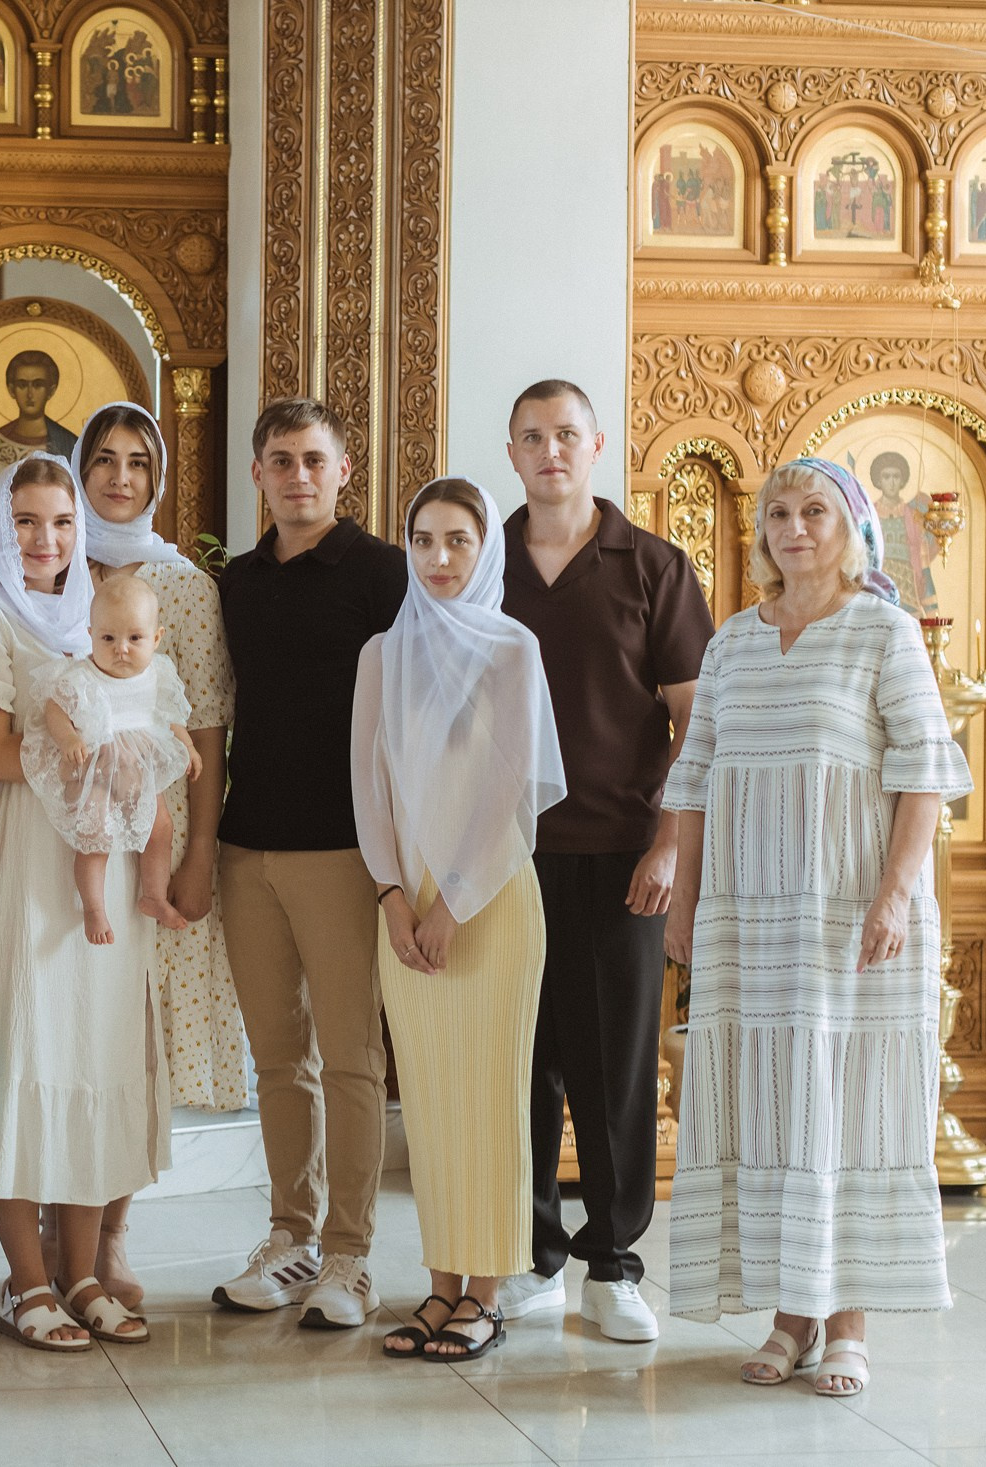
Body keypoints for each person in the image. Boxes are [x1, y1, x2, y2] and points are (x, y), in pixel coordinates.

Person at [663, 457, 971, 1398]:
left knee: (842, 1103)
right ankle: (786, 1317)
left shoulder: (882, 631)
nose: (795, 528)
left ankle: (847, 1325)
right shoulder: (731, 643)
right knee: (768, 1103)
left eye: (816, 512)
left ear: (853, 530)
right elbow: (694, 775)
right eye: (780, 514)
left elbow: (923, 772)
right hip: (747, 921)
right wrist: (683, 899)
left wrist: (892, 894)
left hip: (846, 918)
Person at [496, 380, 712, 1342]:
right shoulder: (476, 561)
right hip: (499, 859)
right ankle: (531, 1254)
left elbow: (695, 724)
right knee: (521, 1062)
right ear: (513, 452)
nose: (551, 451)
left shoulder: (652, 567)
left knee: (615, 1065)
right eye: (533, 437)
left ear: (597, 446)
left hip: (623, 853)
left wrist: (669, 842)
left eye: (567, 435)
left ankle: (613, 1263)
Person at [0, 451, 165, 1352]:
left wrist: (131, 756)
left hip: (106, 857)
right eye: (27, 521)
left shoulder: (103, 614)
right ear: (1, 527)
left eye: (63, 522)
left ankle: (78, 1271)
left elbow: (149, 723)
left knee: (94, 1050)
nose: (46, 540)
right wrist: (89, 750)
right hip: (33, 853)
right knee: (31, 1042)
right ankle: (24, 1280)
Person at [356, 478, 566, 1362]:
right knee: (432, 1102)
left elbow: (509, 793)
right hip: (404, 909)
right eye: (425, 540)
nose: (439, 558)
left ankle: (486, 1292)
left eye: (459, 541)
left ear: (488, 551)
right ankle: (440, 1286)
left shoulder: (512, 648)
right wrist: (394, 897)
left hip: (489, 905)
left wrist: (451, 901)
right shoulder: (382, 652)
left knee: (489, 1097)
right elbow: (370, 789)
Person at [214, 397, 408, 1329]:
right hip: (247, 845)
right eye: (281, 459)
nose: (298, 474)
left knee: (352, 1058)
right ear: (257, 473)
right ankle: (290, 1237)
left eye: (314, 459)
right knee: (277, 1059)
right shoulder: (237, 582)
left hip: (342, 847)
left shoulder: (384, 575)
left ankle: (349, 1255)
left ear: (342, 470)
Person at [73, 400, 243, 1307]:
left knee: (133, 1041)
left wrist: (199, 849)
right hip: (62, 833)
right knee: (68, 1028)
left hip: (156, 831)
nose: (121, 476)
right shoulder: (52, 563)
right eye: (103, 458)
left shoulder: (184, 585)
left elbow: (208, 728)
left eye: (139, 460)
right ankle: (61, 1237)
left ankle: (112, 1236)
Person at [23, 573, 198, 943]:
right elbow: (55, 708)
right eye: (108, 638)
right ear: (90, 635)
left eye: (134, 638)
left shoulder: (157, 673)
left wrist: (190, 747)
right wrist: (68, 736)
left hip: (140, 772)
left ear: (156, 638)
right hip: (96, 772)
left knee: (160, 826)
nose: (121, 649)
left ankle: (153, 894)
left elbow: (169, 717)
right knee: (95, 835)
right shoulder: (83, 676)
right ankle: (93, 907)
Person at [0, 350, 80, 525]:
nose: (30, 394)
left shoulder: (70, 445)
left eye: (38, 384)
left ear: (51, 390)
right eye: (22, 385)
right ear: (11, 389)